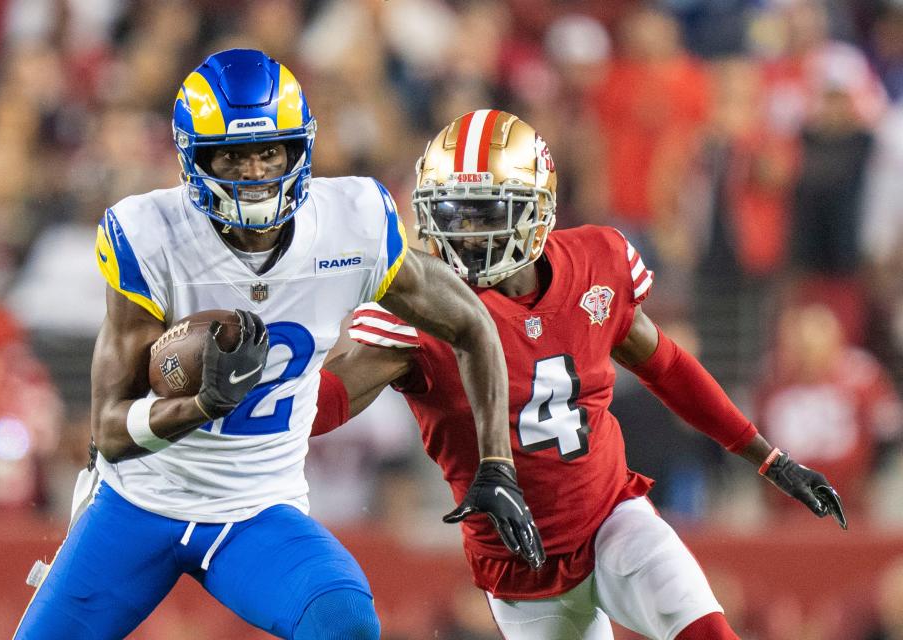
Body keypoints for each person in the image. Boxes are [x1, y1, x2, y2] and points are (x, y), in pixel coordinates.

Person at [13, 51, 543, 640]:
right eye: (233, 156)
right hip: (138, 504)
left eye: (270, 151)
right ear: (195, 160)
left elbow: (471, 323)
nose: (256, 170)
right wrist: (200, 405)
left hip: (258, 509)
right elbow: (110, 429)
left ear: (300, 149)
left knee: (344, 620)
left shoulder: (352, 224)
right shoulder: (150, 235)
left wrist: (497, 462)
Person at [314, 110, 846, 640]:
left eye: (485, 213)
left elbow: (667, 366)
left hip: (613, 516)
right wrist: (246, 403)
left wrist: (768, 459)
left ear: (538, 209)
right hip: (518, 561)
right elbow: (329, 397)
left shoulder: (597, 264)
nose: (465, 234)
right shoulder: (416, 311)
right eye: (451, 213)